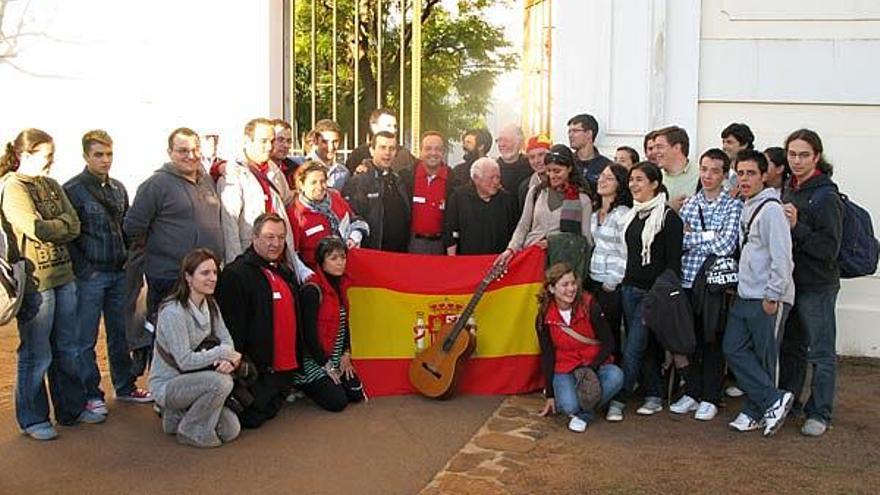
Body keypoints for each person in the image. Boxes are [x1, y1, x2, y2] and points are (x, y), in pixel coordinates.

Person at [1, 128, 104, 441]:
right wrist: (58, 226)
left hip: (64, 277)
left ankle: (70, 410)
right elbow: (33, 227)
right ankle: (33, 418)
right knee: (36, 352)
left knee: (66, 348)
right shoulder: (13, 186)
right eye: (46, 155)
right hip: (35, 284)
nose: (50, 162)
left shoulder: (52, 185)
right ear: (26, 154)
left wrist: (57, 226)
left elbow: (73, 225)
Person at [64, 130, 151, 416]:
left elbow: (126, 225)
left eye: (109, 154)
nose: (105, 160)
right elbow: (69, 237)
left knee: (120, 333)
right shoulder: (73, 190)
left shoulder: (117, 188)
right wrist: (84, 269)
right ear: (86, 156)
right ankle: (91, 393)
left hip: (118, 273)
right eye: (98, 154)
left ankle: (124, 387)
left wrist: (127, 256)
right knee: (85, 339)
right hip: (91, 275)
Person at [124, 127, 225, 363]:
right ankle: (167, 391)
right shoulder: (155, 185)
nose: (190, 155)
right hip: (169, 278)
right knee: (170, 343)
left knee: (201, 339)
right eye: (183, 151)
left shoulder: (207, 180)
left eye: (195, 150)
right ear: (170, 152)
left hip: (205, 279)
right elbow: (133, 227)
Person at [723, 150, 795, 437]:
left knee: (766, 357)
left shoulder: (772, 210)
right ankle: (771, 400)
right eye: (740, 173)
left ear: (764, 176)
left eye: (751, 173)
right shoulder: (746, 205)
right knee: (734, 348)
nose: (744, 179)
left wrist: (773, 294)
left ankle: (757, 410)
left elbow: (782, 257)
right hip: (745, 292)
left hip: (767, 296)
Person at [607, 161, 684, 422]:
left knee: (633, 347)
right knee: (644, 346)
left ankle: (618, 398)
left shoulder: (668, 218)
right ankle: (654, 394)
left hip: (653, 295)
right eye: (631, 179)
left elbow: (673, 264)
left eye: (640, 179)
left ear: (654, 184)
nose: (633, 184)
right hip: (630, 289)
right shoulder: (631, 215)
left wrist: (657, 293)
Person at [779, 129, 844, 437]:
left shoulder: (827, 196)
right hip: (791, 282)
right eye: (792, 154)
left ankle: (820, 412)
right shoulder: (788, 188)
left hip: (817, 285)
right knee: (792, 348)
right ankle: (790, 402)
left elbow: (828, 250)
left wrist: (797, 226)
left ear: (816, 156)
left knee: (821, 351)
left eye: (804, 155)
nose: (797, 161)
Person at [671, 148, 742, 421]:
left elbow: (726, 245)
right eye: (704, 169)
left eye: (715, 170)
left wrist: (696, 236)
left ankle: (711, 396)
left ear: (725, 175)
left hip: (713, 284)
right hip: (687, 280)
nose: (708, 175)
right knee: (691, 340)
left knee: (713, 339)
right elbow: (679, 240)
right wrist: (709, 236)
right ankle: (692, 391)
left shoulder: (733, 204)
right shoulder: (690, 203)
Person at [149, 249, 242, 448]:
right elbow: (184, 360)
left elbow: (228, 342)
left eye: (215, 273)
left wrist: (229, 361)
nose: (212, 278)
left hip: (198, 379)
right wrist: (221, 354)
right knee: (221, 383)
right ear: (188, 277)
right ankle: (191, 430)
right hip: (169, 384)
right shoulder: (173, 312)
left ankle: (176, 416)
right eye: (205, 273)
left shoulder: (211, 304)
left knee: (230, 429)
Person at [215, 213, 301, 428]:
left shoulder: (284, 271)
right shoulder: (236, 274)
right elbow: (231, 327)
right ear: (254, 238)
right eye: (269, 237)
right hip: (255, 373)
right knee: (251, 419)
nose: (276, 243)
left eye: (281, 238)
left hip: (283, 373)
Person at [536, 263, 623, 432]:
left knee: (616, 376)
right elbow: (547, 354)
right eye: (565, 285)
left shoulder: (590, 305)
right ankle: (586, 405)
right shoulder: (544, 315)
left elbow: (609, 342)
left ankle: (585, 414)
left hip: (593, 363)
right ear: (552, 289)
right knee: (568, 406)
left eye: (573, 283)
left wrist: (591, 369)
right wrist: (550, 395)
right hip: (565, 366)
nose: (571, 289)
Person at [295, 236, 364, 411]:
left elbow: (344, 324)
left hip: (335, 356)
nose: (340, 262)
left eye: (342, 257)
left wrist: (346, 353)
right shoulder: (312, 290)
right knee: (338, 402)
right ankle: (303, 385)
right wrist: (326, 366)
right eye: (333, 258)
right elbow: (308, 336)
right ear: (321, 262)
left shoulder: (341, 287)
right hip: (315, 360)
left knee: (356, 393)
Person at [497, 144, 593, 271]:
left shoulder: (582, 200)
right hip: (531, 258)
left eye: (557, 171)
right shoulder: (536, 192)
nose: (552, 175)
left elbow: (585, 239)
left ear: (569, 168)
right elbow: (523, 226)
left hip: (561, 265)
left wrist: (554, 243)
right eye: (549, 170)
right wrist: (511, 249)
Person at [218, 117, 296, 264]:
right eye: (263, 141)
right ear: (247, 140)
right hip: (249, 255)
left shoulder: (275, 171)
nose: (269, 147)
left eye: (272, 141)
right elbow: (229, 224)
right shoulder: (233, 173)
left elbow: (286, 202)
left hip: (277, 254)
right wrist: (236, 264)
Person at [588, 163, 632, 363]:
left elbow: (626, 252)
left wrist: (612, 282)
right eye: (602, 175)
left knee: (611, 332)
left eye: (609, 178)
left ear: (620, 185)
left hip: (611, 284)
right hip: (594, 279)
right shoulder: (595, 212)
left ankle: (616, 374)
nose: (602, 180)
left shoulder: (622, 214)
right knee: (597, 330)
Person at [288, 161, 369, 268]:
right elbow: (292, 255)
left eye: (322, 181)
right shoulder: (295, 214)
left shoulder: (335, 198)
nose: (320, 187)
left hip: (347, 265)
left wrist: (355, 236)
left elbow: (356, 220)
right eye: (313, 182)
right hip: (317, 274)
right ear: (301, 185)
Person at [342, 131, 411, 252]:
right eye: (382, 147)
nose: (387, 153)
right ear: (372, 150)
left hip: (400, 255)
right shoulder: (359, 181)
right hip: (373, 255)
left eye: (392, 148)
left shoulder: (398, 180)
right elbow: (353, 218)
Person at [444, 157, 519, 256]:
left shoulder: (507, 200)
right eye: (491, 177)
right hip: (468, 262)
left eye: (498, 177)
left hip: (498, 262)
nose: (496, 182)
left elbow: (516, 234)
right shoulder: (458, 198)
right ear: (476, 178)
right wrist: (452, 262)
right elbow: (451, 232)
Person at [406, 131, 460, 254]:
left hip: (442, 245)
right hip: (412, 243)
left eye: (438, 149)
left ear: (443, 152)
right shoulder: (406, 177)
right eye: (428, 149)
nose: (433, 153)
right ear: (420, 151)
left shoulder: (454, 181)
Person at [345, 108, 415, 173]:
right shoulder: (358, 155)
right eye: (388, 125)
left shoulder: (404, 155)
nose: (393, 130)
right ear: (374, 127)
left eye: (395, 126)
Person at [653, 126, 698, 211]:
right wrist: (667, 206)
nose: (654, 152)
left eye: (659, 147)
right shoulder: (654, 178)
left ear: (677, 148)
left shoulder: (702, 175)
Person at [568, 113, 612, 190]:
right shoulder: (567, 162)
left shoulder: (606, 166)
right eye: (569, 131)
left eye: (575, 131)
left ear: (589, 134)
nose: (570, 135)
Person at [307, 119, 350, 190]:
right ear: (315, 141)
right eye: (325, 142)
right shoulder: (301, 164)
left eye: (335, 141)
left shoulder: (343, 173)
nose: (331, 147)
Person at [495, 123, 532, 194]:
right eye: (499, 140)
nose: (501, 144)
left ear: (519, 143)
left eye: (506, 140)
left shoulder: (530, 166)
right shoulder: (492, 168)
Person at [518, 134, 551, 207]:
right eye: (532, 157)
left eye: (541, 155)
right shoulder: (525, 187)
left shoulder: (562, 182)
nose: (536, 161)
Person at [270, 119, 300, 186]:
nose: (286, 145)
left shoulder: (295, 170)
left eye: (289, 141)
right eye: (280, 140)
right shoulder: (259, 170)